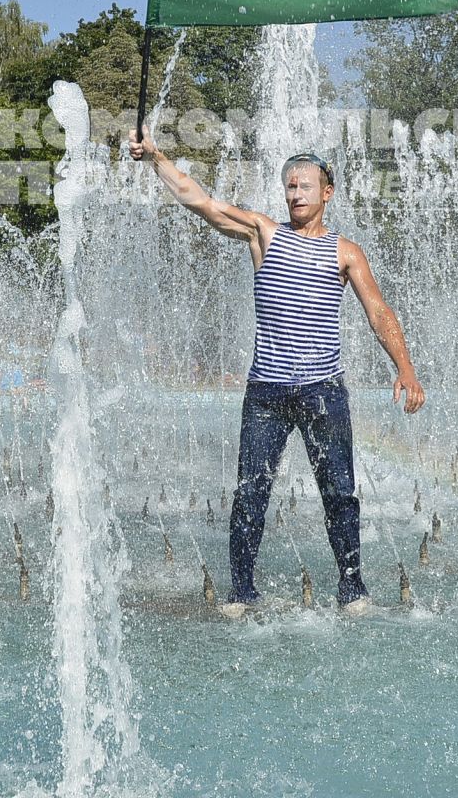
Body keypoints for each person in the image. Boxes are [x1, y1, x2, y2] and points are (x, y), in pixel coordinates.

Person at [130, 133, 425, 617]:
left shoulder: (345, 252)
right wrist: (156, 159)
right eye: (289, 186)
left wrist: (406, 367)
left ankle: (352, 589)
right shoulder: (263, 233)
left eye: (305, 186)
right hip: (266, 392)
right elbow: (199, 200)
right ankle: (241, 592)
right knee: (250, 490)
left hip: (323, 390)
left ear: (327, 192)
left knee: (339, 491)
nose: (295, 194)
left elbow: (379, 312)